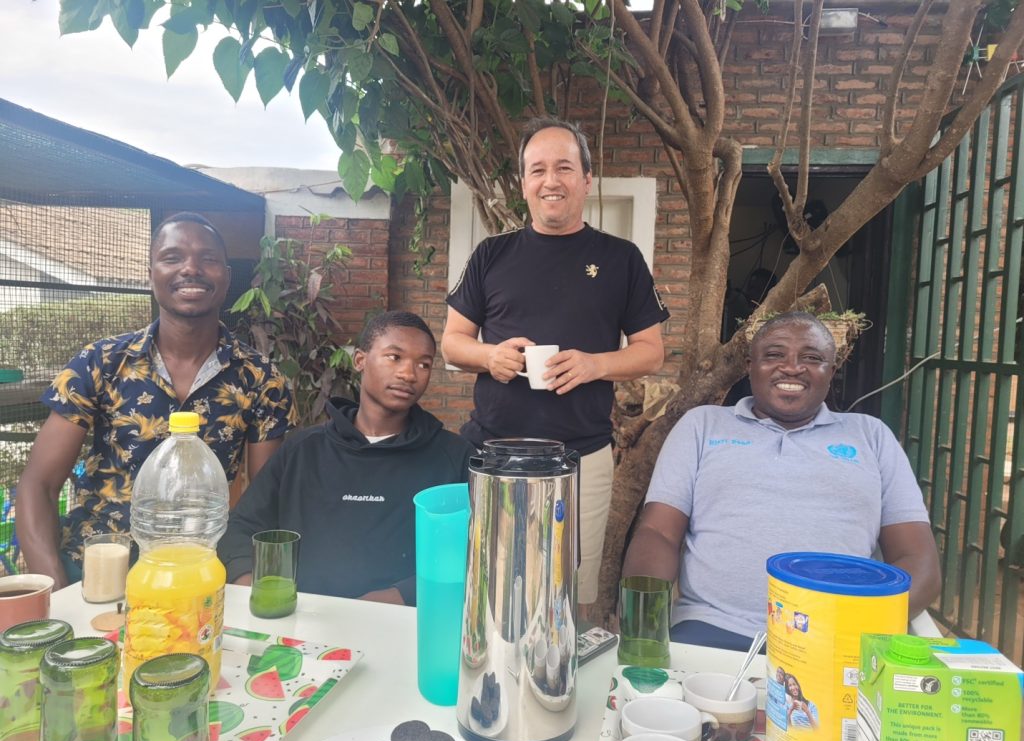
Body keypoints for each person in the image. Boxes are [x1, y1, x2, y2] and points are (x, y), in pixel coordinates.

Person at [442, 116, 669, 607]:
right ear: (524, 184)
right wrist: (490, 356)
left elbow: (652, 351)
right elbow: (452, 342)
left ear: (587, 179)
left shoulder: (620, 258)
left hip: (580, 460)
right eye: (537, 169)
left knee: (571, 600)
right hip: (494, 457)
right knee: (489, 591)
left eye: (564, 168)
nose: (551, 181)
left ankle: (561, 682)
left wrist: (596, 365)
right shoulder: (491, 254)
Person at [622, 311, 941, 651]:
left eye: (812, 358)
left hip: (839, 640)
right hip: (713, 627)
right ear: (750, 366)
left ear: (831, 372)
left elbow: (918, 558)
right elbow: (658, 533)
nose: (791, 367)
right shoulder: (702, 427)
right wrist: (644, 629)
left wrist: (859, 629)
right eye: (774, 355)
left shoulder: (871, 436)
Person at [16, 212, 296, 588]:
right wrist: (54, 593)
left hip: (198, 577)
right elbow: (39, 485)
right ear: (151, 274)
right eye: (172, 257)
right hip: (96, 574)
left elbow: (262, 502)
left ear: (227, 277)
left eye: (208, 258)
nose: (191, 269)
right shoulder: (99, 363)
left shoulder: (261, 379)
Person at [217, 311, 474, 605]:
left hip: (406, 629)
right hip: (301, 627)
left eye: (424, 364)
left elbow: (474, 549)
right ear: (360, 360)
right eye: (394, 357)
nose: (408, 373)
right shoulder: (302, 451)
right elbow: (240, 529)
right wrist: (258, 590)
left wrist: (402, 596)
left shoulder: (453, 457)